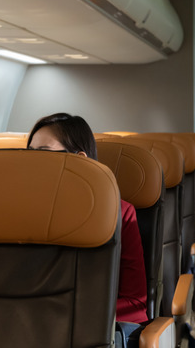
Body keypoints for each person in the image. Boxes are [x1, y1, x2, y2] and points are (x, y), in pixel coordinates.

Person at [27, 113, 149, 325]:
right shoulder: (16, 215)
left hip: (88, 331)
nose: (32, 164)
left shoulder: (119, 214)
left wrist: (64, 316)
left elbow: (134, 303)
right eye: (28, 155)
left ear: (79, 160)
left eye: (44, 154)